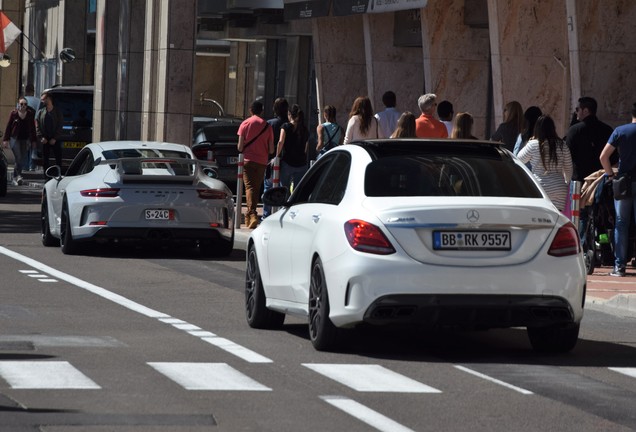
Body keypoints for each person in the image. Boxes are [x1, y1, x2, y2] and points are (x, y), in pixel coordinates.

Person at [566, 97, 614, 242]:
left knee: (582, 216)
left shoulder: (575, 130)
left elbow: (568, 155)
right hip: (602, 182)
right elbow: (614, 157)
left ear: (585, 110)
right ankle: (603, 244)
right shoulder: (607, 130)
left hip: (582, 182)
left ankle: (582, 245)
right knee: (602, 217)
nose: (576, 113)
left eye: (577, 110)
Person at [599, 103, 636, 277]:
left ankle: (619, 266)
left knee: (621, 223)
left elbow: (604, 156)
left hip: (623, 183)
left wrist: (610, 176)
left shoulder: (621, 131)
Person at [517, 115, 573, 211]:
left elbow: (518, 160)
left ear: (537, 129)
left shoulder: (533, 144)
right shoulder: (562, 145)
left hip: (540, 186)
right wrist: (565, 183)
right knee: (556, 220)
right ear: (553, 128)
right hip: (559, 188)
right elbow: (568, 169)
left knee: (540, 218)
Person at [237, 100, 274, 229]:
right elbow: (271, 150)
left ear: (250, 110)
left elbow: (240, 147)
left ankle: (251, 215)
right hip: (261, 161)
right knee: (256, 188)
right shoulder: (267, 126)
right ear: (261, 111)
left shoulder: (245, 124)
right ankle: (250, 215)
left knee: (249, 187)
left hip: (247, 160)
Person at [262, 97, 288, 220]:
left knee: (268, 187)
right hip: (286, 161)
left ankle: (266, 215)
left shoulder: (270, 124)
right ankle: (281, 214)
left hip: (271, 160)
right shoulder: (290, 124)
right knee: (283, 188)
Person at [2, 98, 37, 185]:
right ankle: (18, 176)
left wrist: (33, 141)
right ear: (18, 105)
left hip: (26, 139)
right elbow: (8, 126)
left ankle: (16, 177)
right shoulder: (14, 114)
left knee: (22, 158)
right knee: (18, 157)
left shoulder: (30, 114)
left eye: (25, 104)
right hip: (15, 139)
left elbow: (32, 128)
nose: (23, 106)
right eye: (21, 104)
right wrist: (5, 140)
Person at [277, 104, 309, 190]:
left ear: (289, 114)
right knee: (297, 191)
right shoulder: (304, 129)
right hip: (302, 163)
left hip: (288, 162)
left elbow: (280, 142)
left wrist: (277, 156)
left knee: (284, 189)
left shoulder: (285, 127)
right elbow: (305, 148)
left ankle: (284, 203)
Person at [35, 90, 64, 173]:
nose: (42, 101)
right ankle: (46, 176)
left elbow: (60, 125)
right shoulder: (41, 112)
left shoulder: (57, 112)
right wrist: (41, 137)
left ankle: (58, 174)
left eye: (43, 99)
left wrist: (55, 138)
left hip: (55, 139)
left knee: (58, 158)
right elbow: (37, 125)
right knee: (45, 160)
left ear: (48, 99)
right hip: (45, 139)